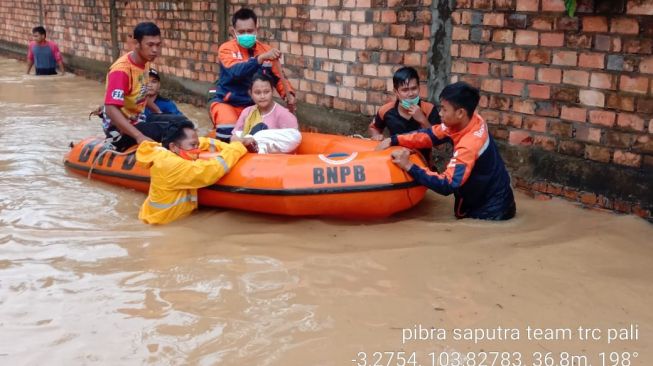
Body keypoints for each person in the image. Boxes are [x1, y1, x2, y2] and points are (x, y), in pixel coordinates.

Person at [377, 82, 516, 220]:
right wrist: (394, 140)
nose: (440, 113)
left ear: (460, 112)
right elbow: (430, 135)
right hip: (488, 196)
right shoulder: (470, 119)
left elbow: (448, 184)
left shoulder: (469, 145)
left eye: (444, 109)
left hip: (492, 211)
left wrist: (408, 166)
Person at [136, 120, 249, 224]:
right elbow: (211, 170)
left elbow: (204, 142)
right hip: (160, 224)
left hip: (168, 220)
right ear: (173, 147)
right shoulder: (171, 165)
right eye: (192, 145)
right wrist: (236, 147)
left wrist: (228, 146)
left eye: (197, 145)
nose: (197, 149)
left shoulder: (167, 151)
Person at [209, 7, 296, 141]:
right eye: (241, 32)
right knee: (228, 128)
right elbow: (235, 72)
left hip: (254, 105)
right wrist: (259, 59)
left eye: (250, 31)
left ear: (257, 29)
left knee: (264, 133)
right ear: (233, 32)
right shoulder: (226, 49)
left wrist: (288, 94)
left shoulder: (266, 50)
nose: (246, 34)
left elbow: (279, 77)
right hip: (227, 102)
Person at [102, 22, 166, 151]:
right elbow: (110, 108)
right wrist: (139, 137)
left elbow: (139, 95)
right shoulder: (121, 71)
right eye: (150, 45)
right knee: (170, 130)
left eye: (158, 45)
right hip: (119, 129)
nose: (155, 50)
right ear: (136, 43)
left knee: (180, 121)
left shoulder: (145, 63)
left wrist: (159, 113)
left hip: (138, 120)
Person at [369, 66, 441, 161]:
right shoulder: (386, 110)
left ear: (419, 88)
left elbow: (439, 144)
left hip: (422, 165)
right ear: (396, 92)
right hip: (395, 162)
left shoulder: (429, 109)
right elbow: (373, 127)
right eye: (405, 90)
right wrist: (376, 136)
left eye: (414, 88)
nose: (410, 94)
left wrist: (423, 120)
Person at [231, 72, 300, 154]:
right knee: (241, 136)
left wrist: (259, 139)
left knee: (260, 135)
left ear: (272, 91)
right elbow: (234, 137)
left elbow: (293, 139)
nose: (262, 96)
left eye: (266, 92)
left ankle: (255, 142)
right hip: (249, 160)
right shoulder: (247, 112)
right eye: (258, 93)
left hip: (276, 159)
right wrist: (241, 140)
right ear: (251, 94)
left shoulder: (282, 113)